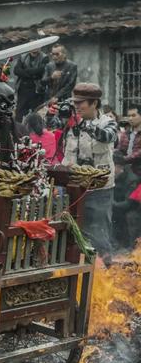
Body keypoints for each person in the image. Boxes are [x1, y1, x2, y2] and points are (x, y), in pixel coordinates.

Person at [62, 83, 118, 254]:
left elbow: (107, 136)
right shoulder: (71, 122)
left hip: (99, 189)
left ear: (94, 103)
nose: (77, 107)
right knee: (72, 230)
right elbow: (48, 126)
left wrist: (87, 125)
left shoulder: (108, 122)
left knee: (98, 232)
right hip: (74, 185)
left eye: (81, 103)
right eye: (75, 103)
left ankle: (103, 269)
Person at [113, 105, 141, 248]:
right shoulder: (126, 133)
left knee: (133, 213)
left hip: (138, 175)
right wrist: (117, 157)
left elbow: (138, 153)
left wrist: (124, 160)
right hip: (125, 174)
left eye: (133, 115)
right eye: (129, 115)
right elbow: (120, 149)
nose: (130, 118)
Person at [14, 49, 49, 121]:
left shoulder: (44, 57)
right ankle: (18, 130)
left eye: (37, 47)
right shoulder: (23, 57)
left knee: (36, 113)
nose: (35, 49)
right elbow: (16, 70)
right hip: (23, 88)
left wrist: (25, 71)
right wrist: (32, 74)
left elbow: (41, 70)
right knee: (19, 113)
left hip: (37, 89)